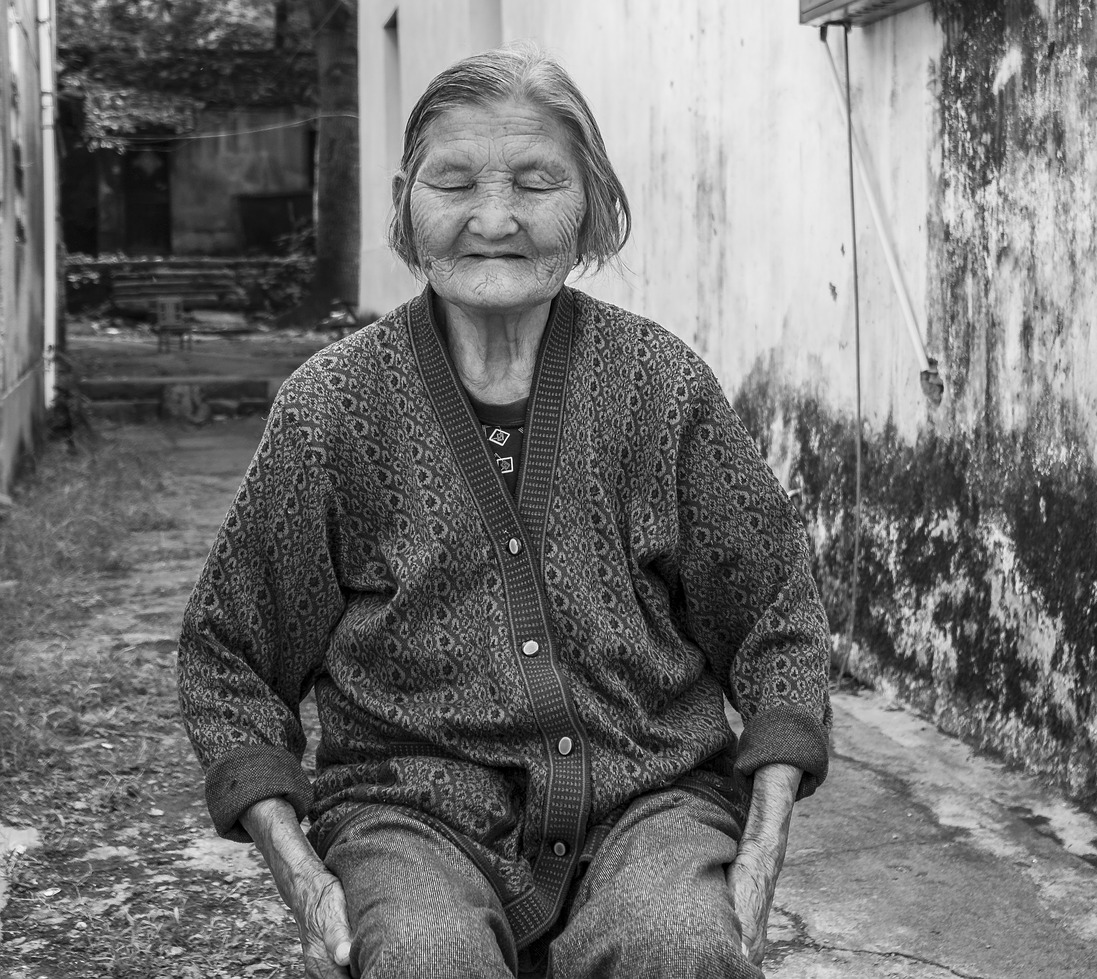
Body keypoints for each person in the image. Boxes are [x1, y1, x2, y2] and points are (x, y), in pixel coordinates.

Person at [178, 43, 831, 979]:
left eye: (537, 182)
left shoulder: (660, 386)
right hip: (409, 812)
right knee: (427, 957)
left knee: (679, 948)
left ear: (594, 206)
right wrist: (306, 878)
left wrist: (759, 859)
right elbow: (228, 653)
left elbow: (778, 620)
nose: (494, 219)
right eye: (454, 183)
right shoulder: (332, 406)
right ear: (406, 203)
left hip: (649, 802)